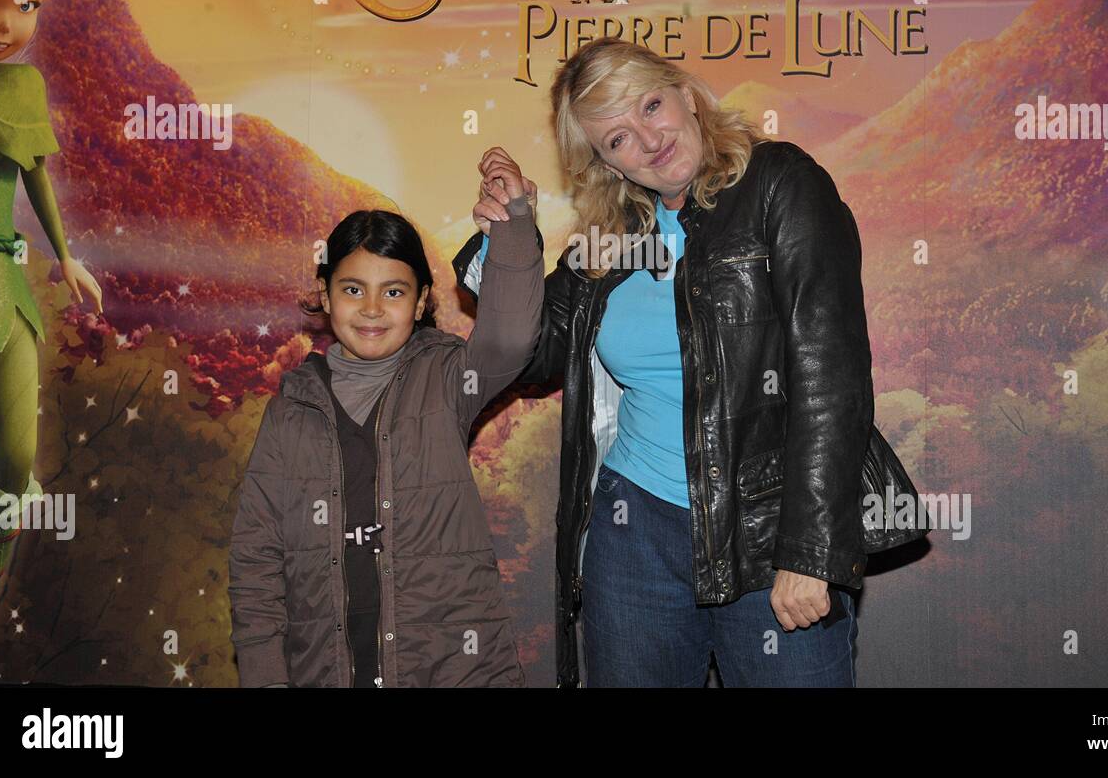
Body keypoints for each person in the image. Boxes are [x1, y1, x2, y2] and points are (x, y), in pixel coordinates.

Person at [454, 38, 874, 687]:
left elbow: (831, 378)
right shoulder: (611, 238)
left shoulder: (780, 184)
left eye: (651, 106)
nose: (648, 141)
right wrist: (509, 243)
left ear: (686, 92)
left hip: (766, 527)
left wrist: (810, 550)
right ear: (604, 164)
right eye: (617, 137)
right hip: (635, 532)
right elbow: (537, 357)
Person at [228, 150, 543, 687]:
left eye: (393, 292)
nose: (372, 309)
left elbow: (511, 338)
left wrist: (513, 225)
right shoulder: (292, 407)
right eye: (353, 289)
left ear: (421, 301)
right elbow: (256, 554)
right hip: (324, 671)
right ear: (325, 296)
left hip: (450, 670)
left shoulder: (446, 378)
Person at [0, 0, 103, 684]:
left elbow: (36, 177)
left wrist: (65, 254)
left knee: (15, 465)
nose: (6, 23)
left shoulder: (23, 86)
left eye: (26, 1)